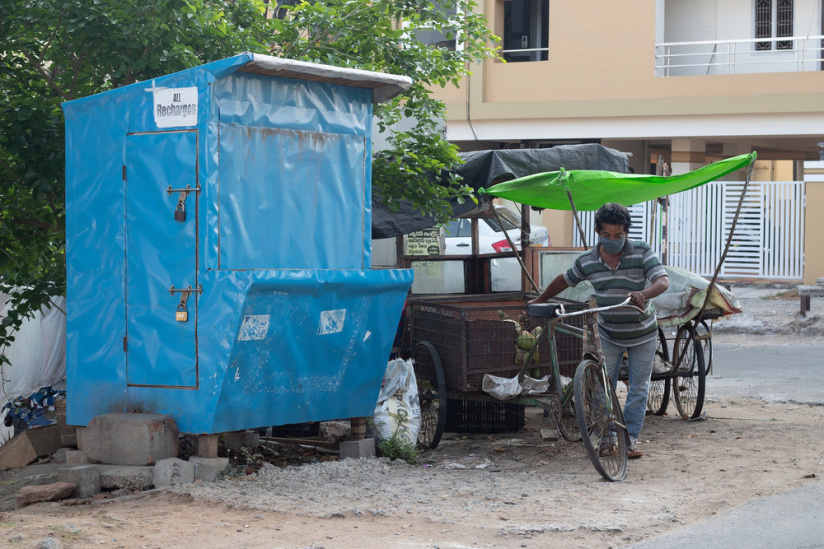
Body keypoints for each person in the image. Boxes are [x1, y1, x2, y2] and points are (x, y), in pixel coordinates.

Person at [528, 202, 669, 459]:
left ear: (626, 233)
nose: (613, 240)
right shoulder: (588, 260)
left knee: (638, 388)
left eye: (618, 236)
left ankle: (630, 439)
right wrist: (541, 299)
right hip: (609, 333)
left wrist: (643, 293)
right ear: (597, 232)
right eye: (607, 235)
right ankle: (607, 438)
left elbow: (662, 280)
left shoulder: (642, 251)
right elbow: (565, 279)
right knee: (602, 387)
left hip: (643, 333)